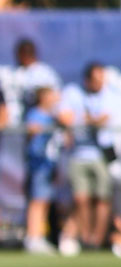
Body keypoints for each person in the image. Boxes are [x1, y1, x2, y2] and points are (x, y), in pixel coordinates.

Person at [59, 61, 116, 255]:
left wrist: (87, 120)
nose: (101, 84)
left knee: (102, 197)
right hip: (78, 154)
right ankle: (86, 239)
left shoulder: (108, 94)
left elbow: (104, 118)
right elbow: (65, 117)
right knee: (81, 199)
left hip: (100, 154)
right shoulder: (73, 92)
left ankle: (97, 240)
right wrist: (86, 120)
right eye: (97, 79)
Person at [21, 85, 63, 255]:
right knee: (37, 201)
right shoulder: (35, 114)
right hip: (38, 164)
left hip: (49, 164)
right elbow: (30, 134)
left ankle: (39, 234)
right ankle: (33, 237)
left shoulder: (51, 116)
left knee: (45, 200)